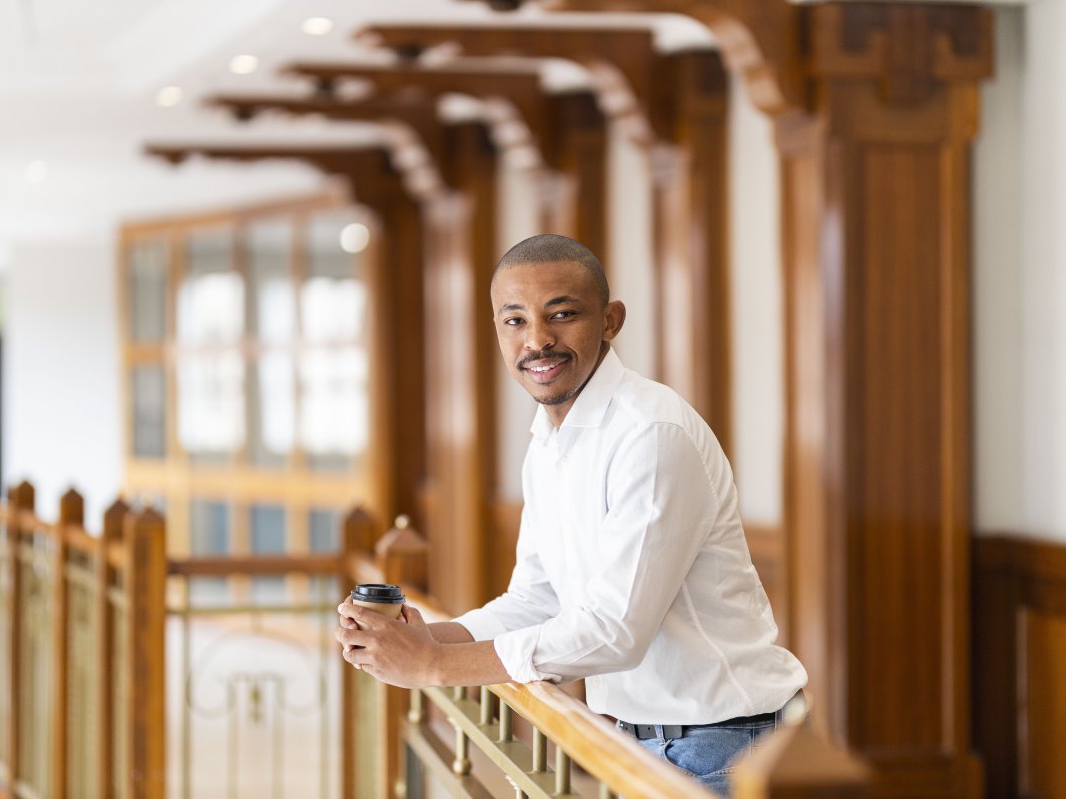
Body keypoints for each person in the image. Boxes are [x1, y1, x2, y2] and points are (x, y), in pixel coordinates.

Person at [336, 234, 807, 795]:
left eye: (562, 315)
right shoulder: (549, 441)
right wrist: (429, 640)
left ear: (610, 321)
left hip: (727, 744)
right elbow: (538, 599)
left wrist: (436, 668)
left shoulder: (651, 433)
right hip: (639, 738)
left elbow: (614, 633)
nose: (537, 340)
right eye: (514, 321)